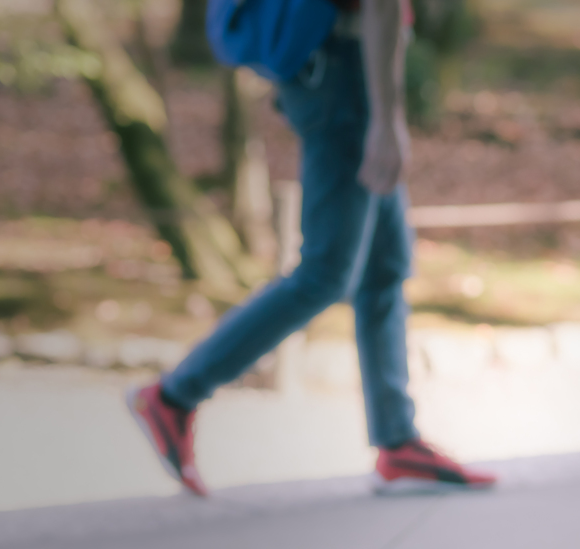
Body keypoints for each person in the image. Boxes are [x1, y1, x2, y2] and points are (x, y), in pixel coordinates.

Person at [127, 0, 496, 496]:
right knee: (325, 273)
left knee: (384, 265)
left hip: (333, 67)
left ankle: (397, 438)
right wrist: (387, 123)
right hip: (344, 73)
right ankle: (173, 395)